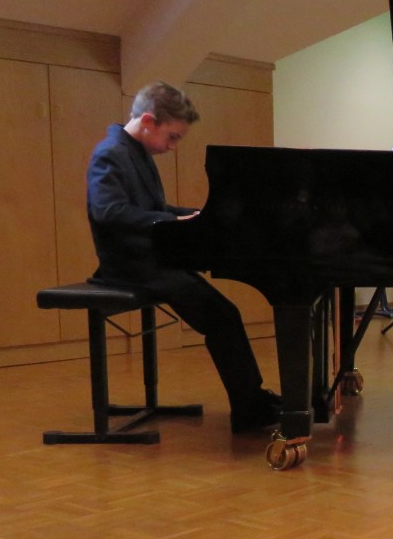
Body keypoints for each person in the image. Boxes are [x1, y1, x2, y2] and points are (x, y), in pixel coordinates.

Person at [87, 82, 282, 432]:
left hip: (151, 261)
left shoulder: (134, 152)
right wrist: (172, 221)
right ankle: (249, 407)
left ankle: (252, 401)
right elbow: (109, 212)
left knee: (223, 313)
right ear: (148, 121)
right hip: (128, 265)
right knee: (221, 315)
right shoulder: (111, 153)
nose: (173, 146)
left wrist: (197, 216)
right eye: (173, 137)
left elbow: (155, 208)